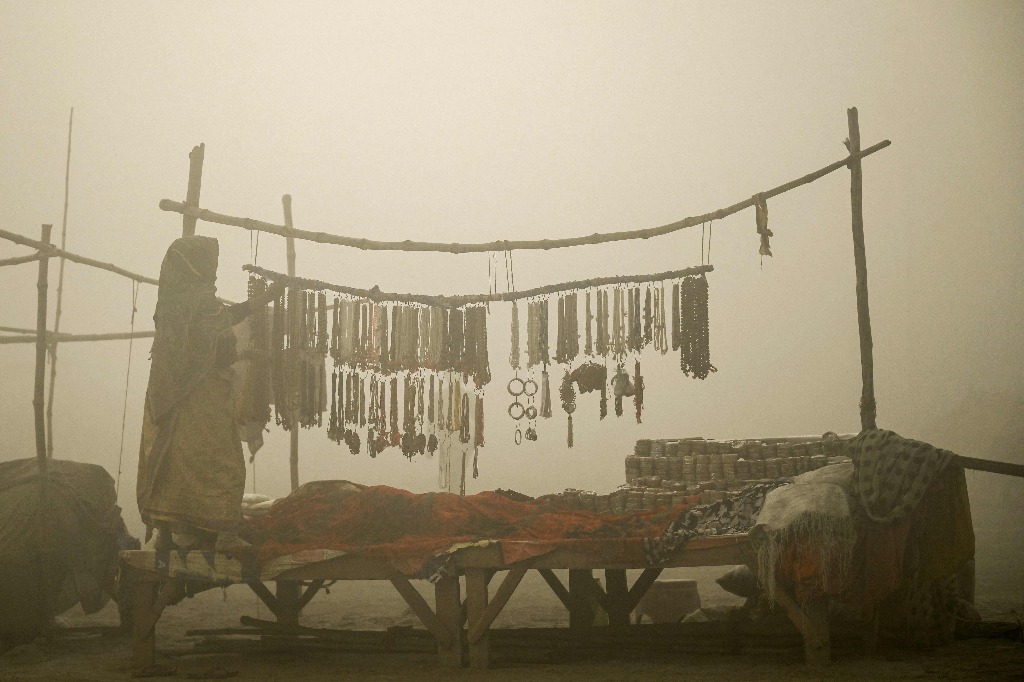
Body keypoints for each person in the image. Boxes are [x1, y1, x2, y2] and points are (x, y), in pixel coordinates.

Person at [136, 235, 283, 554]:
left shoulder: (173, 302)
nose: (214, 271)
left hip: (166, 403)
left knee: (173, 465)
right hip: (202, 402)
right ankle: (226, 537)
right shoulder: (199, 302)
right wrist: (246, 354)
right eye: (210, 264)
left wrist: (263, 301)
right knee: (223, 463)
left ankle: (166, 532)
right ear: (196, 266)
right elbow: (212, 351)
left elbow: (210, 333)